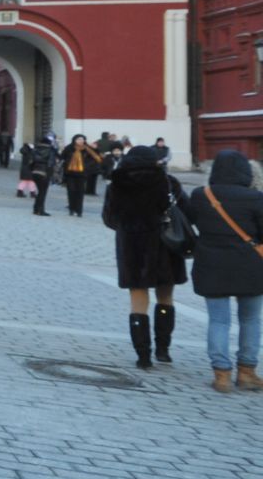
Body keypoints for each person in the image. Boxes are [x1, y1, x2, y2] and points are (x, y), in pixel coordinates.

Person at [183, 150, 263, 393]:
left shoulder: (201, 195)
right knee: (250, 319)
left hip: (211, 265)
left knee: (218, 320)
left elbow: (191, 222)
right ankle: (247, 372)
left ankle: (221, 375)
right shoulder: (256, 198)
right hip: (251, 267)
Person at [103, 145, 188, 369]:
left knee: (138, 302)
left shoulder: (117, 185)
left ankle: (143, 356)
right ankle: (163, 350)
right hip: (165, 248)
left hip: (133, 249)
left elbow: (110, 219)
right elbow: (187, 212)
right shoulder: (169, 182)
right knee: (165, 298)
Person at [61, 135, 102, 217]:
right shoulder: (69, 148)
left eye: (82, 139)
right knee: (71, 191)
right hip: (70, 173)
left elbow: (97, 158)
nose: (80, 141)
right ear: (74, 140)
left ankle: (79, 210)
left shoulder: (87, 149)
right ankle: (71, 209)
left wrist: (86, 166)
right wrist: (67, 164)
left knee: (80, 192)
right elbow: (63, 157)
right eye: (78, 139)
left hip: (82, 174)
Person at [22, 134, 55, 216]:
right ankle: (41, 210)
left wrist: (32, 170)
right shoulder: (50, 150)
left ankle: (36, 209)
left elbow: (30, 162)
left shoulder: (35, 150)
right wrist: (50, 173)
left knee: (40, 191)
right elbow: (50, 163)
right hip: (44, 172)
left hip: (35, 172)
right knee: (42, 192)